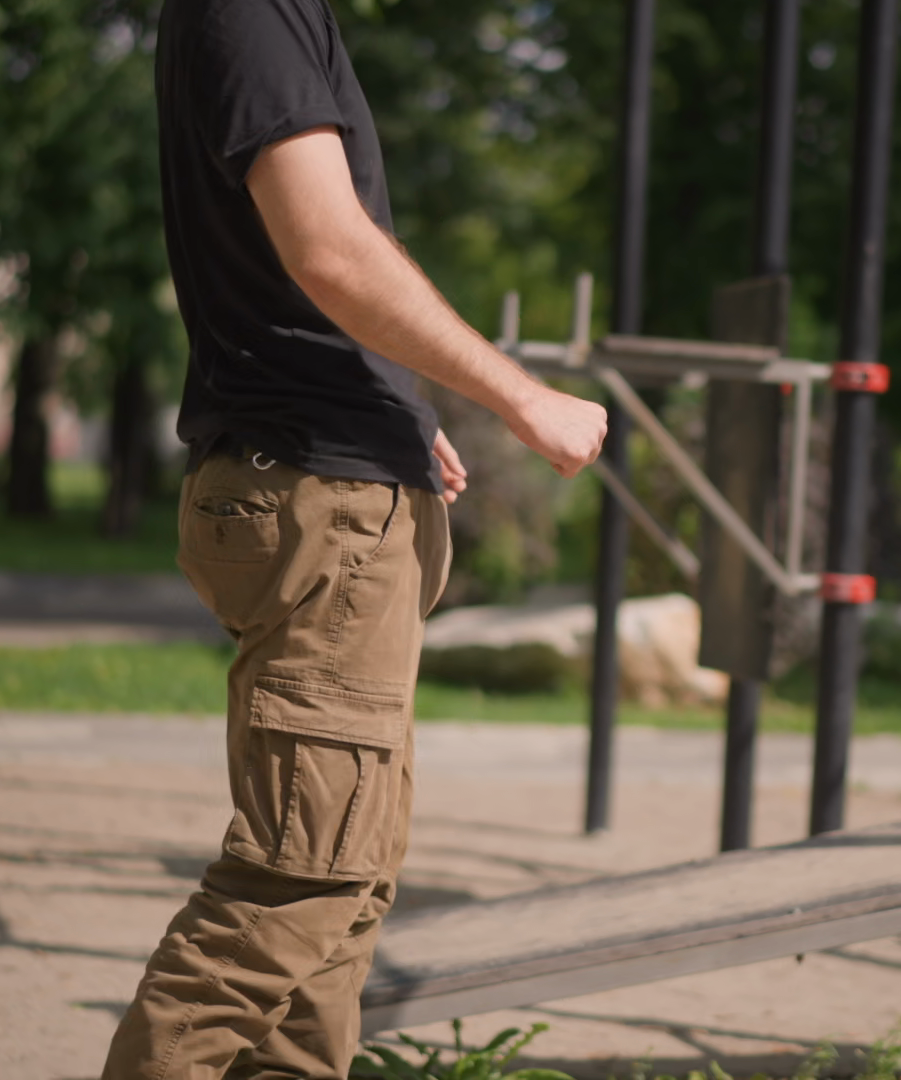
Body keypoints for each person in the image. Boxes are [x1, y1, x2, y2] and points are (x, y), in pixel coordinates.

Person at [100, 1, 607, 1077]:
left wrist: (401, 406)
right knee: (303, 881)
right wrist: (521, 397)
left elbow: (308, 268)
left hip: (338, 476)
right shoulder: (250, 8)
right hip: (319, 496)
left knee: (344, 894)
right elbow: (328, 247)